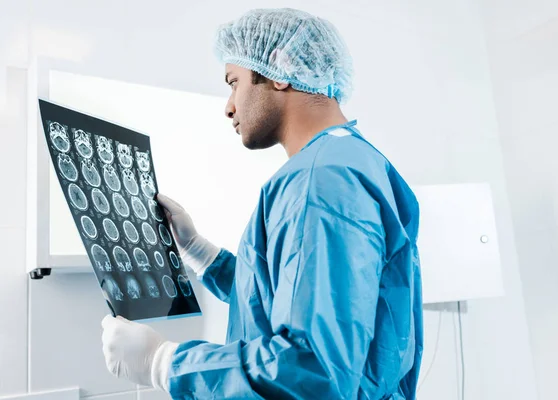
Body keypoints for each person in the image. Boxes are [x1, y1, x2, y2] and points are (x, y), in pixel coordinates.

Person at [101, 8, 423, 399]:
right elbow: (295, 294)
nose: (229, 106)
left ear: (279, 70)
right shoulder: (349, 160)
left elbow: (312, 368)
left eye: (233, 82)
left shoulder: (320, 180)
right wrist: (201, 253)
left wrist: (164, 363)